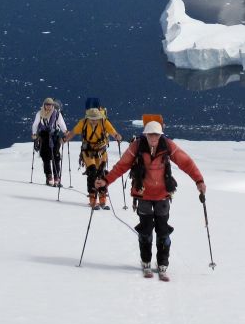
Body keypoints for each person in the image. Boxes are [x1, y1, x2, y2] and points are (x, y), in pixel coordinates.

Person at [97, 119, 206, 279]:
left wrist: (199, 181)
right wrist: (106, 181)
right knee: (146, 230)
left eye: (156, 135)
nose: (153, 138)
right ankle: (146, 261)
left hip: (162, 194)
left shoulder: (167, 146)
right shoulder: (137, 146)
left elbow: (186, 162)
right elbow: (122, 166)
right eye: (150, 135)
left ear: (160, 135)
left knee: (163, 231)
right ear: (146, 135)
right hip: (144, 194)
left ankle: (162, 264)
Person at [63, 98, 122, 209]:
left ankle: (102, 198)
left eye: (95, 119)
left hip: (101, 152)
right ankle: (92, 198)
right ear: (88, 118)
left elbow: (113, 132)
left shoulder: (104, 122)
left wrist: (117, 136)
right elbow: (73, 132)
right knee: (92, 172)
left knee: (102, 173)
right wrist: (65, 139)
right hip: (88, 152)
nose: (94, 121)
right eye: (92, 119)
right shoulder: (83, 123)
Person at [31, 97, 66, 186]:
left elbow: (61, 123)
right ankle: (49, 176)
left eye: (50, 105)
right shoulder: (40, 113)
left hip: (54, 136)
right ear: (44, 105)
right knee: (45, 157)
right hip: (44, 136)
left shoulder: (57, 114)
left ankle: (56, 177)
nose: (48, 106)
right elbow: (35, 124)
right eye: (47, 104)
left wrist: (65, 131)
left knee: (56, 156)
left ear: (52, 105)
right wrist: (34, 134)